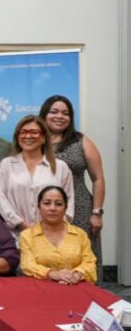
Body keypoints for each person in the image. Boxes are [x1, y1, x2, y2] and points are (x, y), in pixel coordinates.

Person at [40, 94, 105, 270]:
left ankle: (89, 288)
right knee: (48, 256)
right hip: (46, 209)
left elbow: (98, 178)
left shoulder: (81, 141)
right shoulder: (35, 141)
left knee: (82, 257)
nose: (60, 116)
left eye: (65, 113)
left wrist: (97, 213)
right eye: (54, 112)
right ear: (44, 114)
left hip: (80, 209)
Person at [0, 115, 74, 234]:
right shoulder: (6, 165)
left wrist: (48, 230)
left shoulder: (60, 167)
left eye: (34, 132)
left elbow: (69, 201)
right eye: (23, 132)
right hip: (16, 235)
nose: (28, 136)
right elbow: (1, 200)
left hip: (52, 235)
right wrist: (24, 226)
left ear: (43, 138)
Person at [19, 185, 96, 284]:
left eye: (58, 204)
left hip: (75, 286)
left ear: (65, 208)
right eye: (47, 203)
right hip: (40, 288)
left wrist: (76, 275)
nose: (53, 208)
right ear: (39, 207)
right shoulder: (27, 236)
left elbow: (90, 262)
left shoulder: (80, 234)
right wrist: (53, 274)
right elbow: (27, 265)